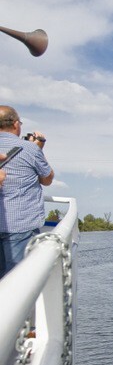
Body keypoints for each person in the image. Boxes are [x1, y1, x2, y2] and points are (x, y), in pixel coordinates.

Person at [0, 106, 54, 277]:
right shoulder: (29, 149)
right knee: (17, 279)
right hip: (19, 226)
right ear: (16, 124)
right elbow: (47, 179)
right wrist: (38, 149)